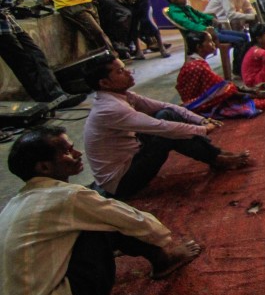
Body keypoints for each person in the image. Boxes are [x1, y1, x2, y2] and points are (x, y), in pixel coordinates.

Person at [0, 126, 202, 295]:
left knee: (86, 224)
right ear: (44, 167)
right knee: (103, 224)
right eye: (67, 151)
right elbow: (136, 222)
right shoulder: (68, 197)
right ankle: (163, 260)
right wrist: (163, 241)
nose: (77, 154)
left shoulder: (13, 205)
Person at [82, 54, 250, 200]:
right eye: (120, 72)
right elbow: (162, 127)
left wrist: (201, 120)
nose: (128, 73)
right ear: (104, 83)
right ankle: (216, 157)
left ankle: (215, 155)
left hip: (132, 155)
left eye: (125, 68)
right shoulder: (111, 108)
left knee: (166, 113)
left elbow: (166, 107)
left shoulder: (122, 96)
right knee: (166, 130)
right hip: (120, 183)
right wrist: (203, 129)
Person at [0, 0, 87, 108]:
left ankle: (56, 94)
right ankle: (47, 99)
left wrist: (4, 1)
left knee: (37, 55)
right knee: (23, 63)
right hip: (2, 29)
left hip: (10, 23)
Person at [176, 31, 265, 118]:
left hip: (202, 100)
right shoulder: (198, 66)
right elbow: (222, 89)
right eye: (210, 41)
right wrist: (250, 94)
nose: (214, 44)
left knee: (248, 93)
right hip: (200, 105)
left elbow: (218, 85)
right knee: (256, 101)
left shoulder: (194, 62)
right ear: (199, 47)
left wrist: (245, 90)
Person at [164, 0, 248, 76]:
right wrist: (205, 29)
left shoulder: (186, 7)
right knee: (240, 41)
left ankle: (244, 65)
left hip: (212, 30)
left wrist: (212, 19)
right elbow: (188, 24)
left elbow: (201, 14)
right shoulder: (174, 11)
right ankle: (237, 69)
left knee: (245, 36)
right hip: (203, 34)